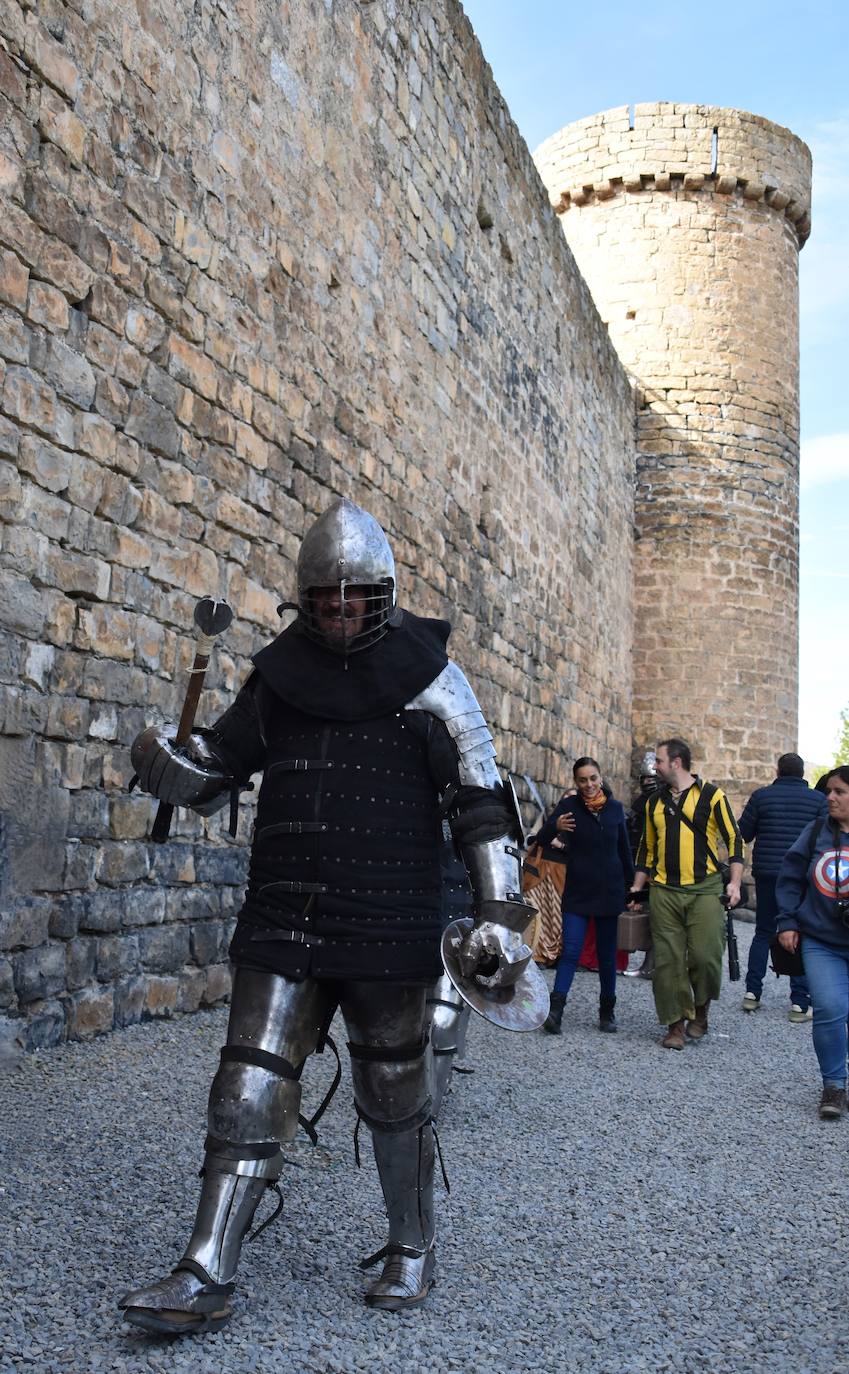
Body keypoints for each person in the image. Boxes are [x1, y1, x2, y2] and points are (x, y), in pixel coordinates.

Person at [119, 498, 534, 1332]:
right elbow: (224, 764)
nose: (339, 610)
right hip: (284, 913)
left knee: (394, 1092)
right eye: (325, 598)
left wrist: (497, 912)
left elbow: (481, 803)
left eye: (354, 597)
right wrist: (177, 764)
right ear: (304, 601)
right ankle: (206, 1268)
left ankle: (410, 1244)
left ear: (380, 594)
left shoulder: (432, 680)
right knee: (245, 1085)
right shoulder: (279, 676)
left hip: (388, 918)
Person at [630, 738, 744, 1049]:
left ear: (677, 763)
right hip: (664, 890)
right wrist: (637, 887)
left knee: (707, 956)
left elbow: (734, 840)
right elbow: (646, 850)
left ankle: (701, 1012)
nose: (656, 766)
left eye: (661, 761)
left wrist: (734, 883)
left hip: (705, 888)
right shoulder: (654, 802)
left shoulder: (712, 796)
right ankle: (675, 1025)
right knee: (667, 961)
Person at [532, 757, 634, 1034]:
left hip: (609, 892)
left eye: (593, 778)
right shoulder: (568, 807)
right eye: (582, 780)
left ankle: (607, 1011)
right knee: (571, 951)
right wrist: (556, 828)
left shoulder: (615, 810)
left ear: (600, 778)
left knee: (606, 956)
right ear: (575, 782)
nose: (589, 784)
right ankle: (555, 1011)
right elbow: (540, 839)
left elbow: (625, 852)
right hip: (578, 891)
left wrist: (632, 889)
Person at [776, 766, 849, 1119]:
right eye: (829, 791)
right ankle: (834, 1086)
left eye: (839, 792)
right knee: (830, 1008)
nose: (830, 797)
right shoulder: (817, 831)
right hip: (822, 940)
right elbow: (789, 877)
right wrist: (787, 920)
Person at [738, 753, 827, 1020]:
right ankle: (800, 1002)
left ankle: (753, 992)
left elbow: (744, 833)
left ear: (777, 770)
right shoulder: (818, 800)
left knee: (763, 930)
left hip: (767, 873)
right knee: (797, 932)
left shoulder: (761, 797)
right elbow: (824, 837)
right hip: (800, 878)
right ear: (802, 774)